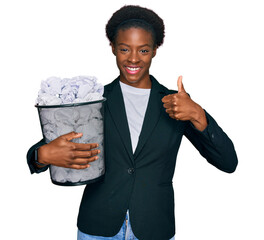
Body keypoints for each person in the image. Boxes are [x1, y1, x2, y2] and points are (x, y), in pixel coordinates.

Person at [27, 5, 238, 240]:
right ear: (113, 48)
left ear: (155, 50)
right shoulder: (94, 100)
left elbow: (228, 162)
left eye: (144, 50)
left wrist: (198, 114)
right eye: (125, 49)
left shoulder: (175, 103)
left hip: (154, 227)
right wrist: (42, 156)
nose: (134, 58)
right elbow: (46, 148)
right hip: (98, 227)